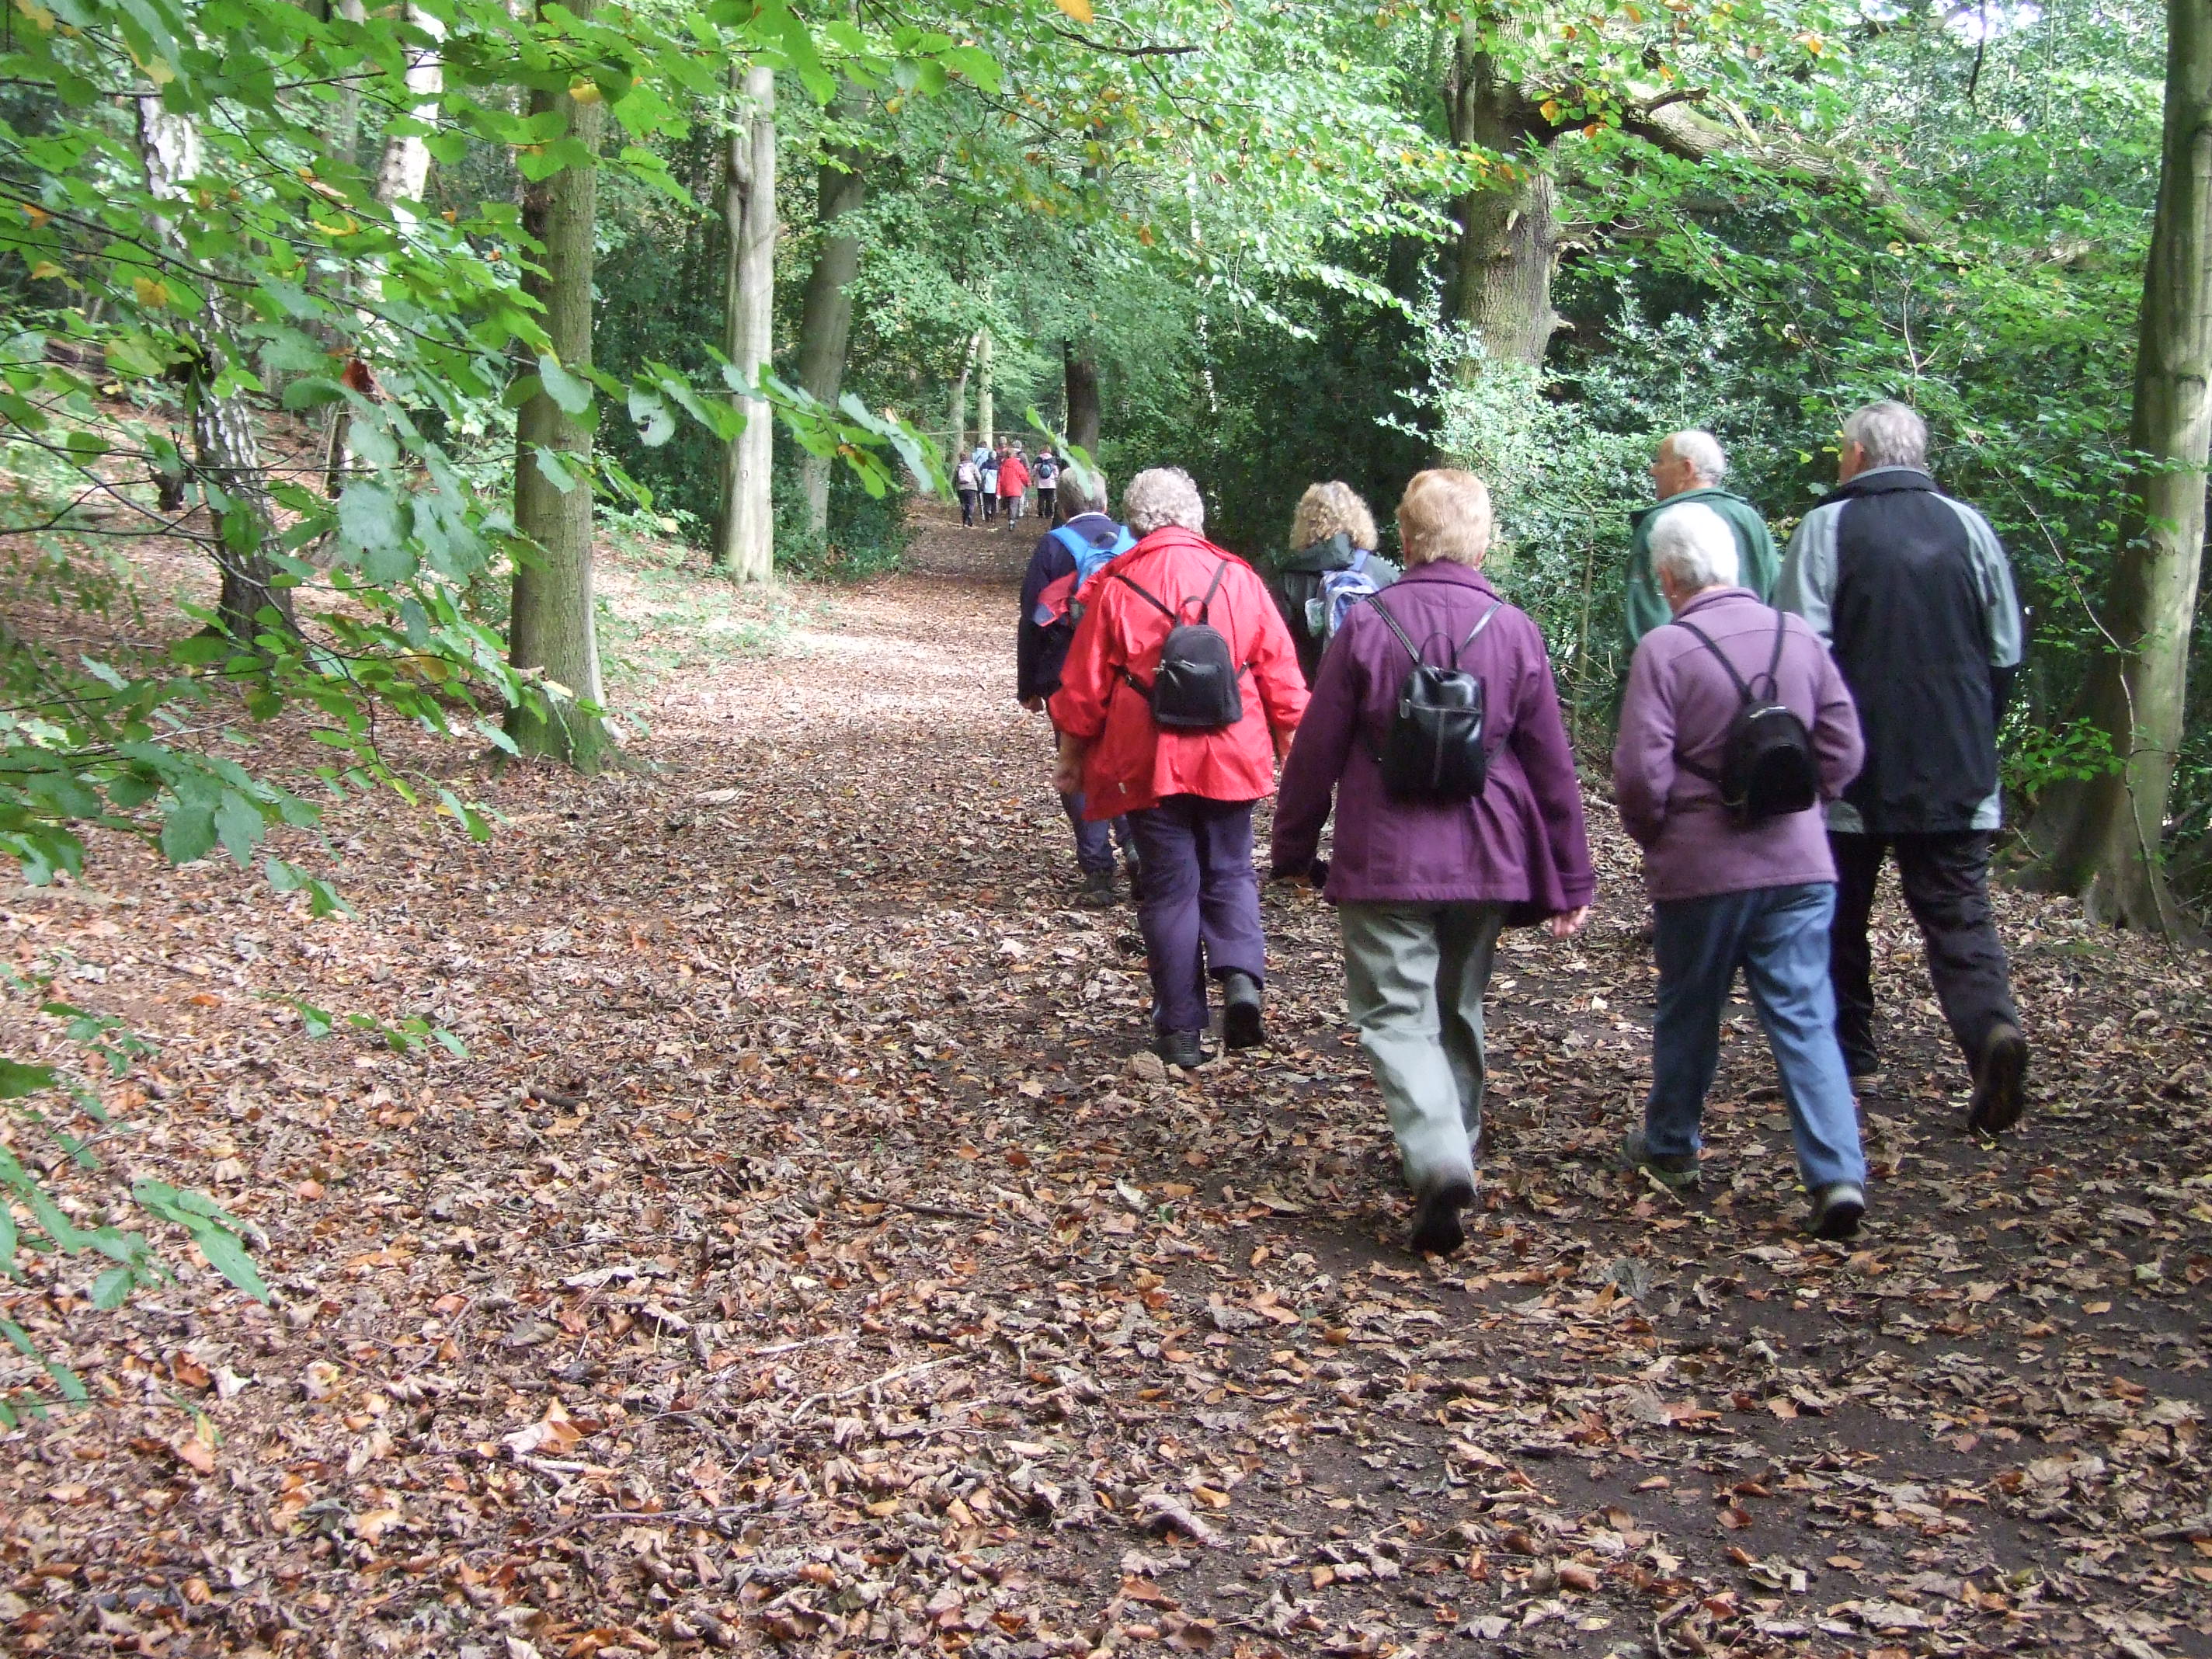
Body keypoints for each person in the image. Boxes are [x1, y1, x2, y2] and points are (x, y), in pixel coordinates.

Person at [1272, 469, 1593, 1257]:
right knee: (1458, 1006)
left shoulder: (1368, 624)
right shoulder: (1514, 630)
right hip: (1487, 856)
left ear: (1407, 542)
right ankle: (1457, 1145)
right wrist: (1571, 877)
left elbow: (1314, 752)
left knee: (1393, 1015)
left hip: (1384, 856)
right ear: (1482, 542)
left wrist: (1293, 847)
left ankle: (1438, 1154)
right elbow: (1552, 763)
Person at [1612, 502, 1871, 1239]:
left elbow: (1640, 777)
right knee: (1804, 1015)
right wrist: (1808, 804)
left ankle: (1670, 1148)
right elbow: (1845, 749)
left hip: (1702, 870)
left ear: (1667, 576)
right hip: (1799, 865)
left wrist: (1658, 837)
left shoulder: (1665, 649)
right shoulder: (1800, 638)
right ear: (1736, 563)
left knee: (1690, 1009)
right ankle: (1836, 1173)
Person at [1777, 399, 2029, 1134]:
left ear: (1855, 455)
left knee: (1837, 911)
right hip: (1957, 763)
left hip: (1850, 765)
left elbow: (1801, 654)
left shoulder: (1829, 527)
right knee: (1958, 911)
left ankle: (1849, 1053)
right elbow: (2005, 649)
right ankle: (1989, 1035)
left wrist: (1807, 754)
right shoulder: (1969, 527)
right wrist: (1975, 731)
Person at [1051, 467, 1308, 1067]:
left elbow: (1083, 691)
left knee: (1169, 890)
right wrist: (1291, 744)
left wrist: (1070, 761)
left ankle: (1180, 1032)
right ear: (1195, 516)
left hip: (1147, 759)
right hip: (1231, 751)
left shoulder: (1115, 585)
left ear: (1135, 524)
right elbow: (1281, 673)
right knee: (1232, 870)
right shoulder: (1240, 578)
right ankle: (1242, 979)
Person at [1017, 469, 1140, 905]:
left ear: (1063, 506)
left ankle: (1098, 871)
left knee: (1077, 761)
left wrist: (1028, 685)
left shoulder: (1054, 545)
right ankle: (1135, 845)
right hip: (1127, 672)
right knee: (1124, 760)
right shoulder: (1133, 542)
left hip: (1067, 674)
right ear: (1106, 503)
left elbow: (1032, 619)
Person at [1623, 432, 1779, 651]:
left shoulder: (1658, 524)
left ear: (1687, 469)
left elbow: (1646, 626)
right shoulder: (1749, 519)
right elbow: (1778, 600)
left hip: (1685, 673)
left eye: (1660, 462)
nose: (1653, 471)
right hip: (1757, 667)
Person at [1271, 482, 1403, 684]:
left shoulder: (1290, 579)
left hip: (1315, 696)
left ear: (1306, 524)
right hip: (1372, 695)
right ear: (1359, 520)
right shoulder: (1386, 575)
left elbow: (1278, 651)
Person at [1000, 444, 1031, 527]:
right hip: (1016, 488)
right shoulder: (1018, 464)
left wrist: (999, 490)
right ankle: (1012, 520)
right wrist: (1027, 483)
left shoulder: (1003, 465)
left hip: (1005, 488)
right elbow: (1023, 475)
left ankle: (1012, 518)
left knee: (1010, 504)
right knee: (1014, 504)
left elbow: (1000, 478)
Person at [1034, 449, 1060, 524]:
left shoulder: (1038, 459)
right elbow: (1056, 471)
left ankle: (1040, 513)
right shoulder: (1052, 460)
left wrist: (1033, 477)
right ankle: (1049, 514)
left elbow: (1034, 470)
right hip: (1051, 483)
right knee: (1050, 499)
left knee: (1041, 498)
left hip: (1040, 483)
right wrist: (1055, 477)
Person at [955, 452, 981, 527]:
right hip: (972, 488)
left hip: (961, 488)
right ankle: (970, 515)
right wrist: (979, 484)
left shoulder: (958, 467)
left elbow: (955, 479)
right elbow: (978, 477)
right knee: (971, 503)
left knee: (963, 504)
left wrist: (954, 487)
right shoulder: (973, 466)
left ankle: (964, 521)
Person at [979, 448, 1000, 523]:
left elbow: (980, 475)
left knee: (986, 503)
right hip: (994, 488)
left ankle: (987, 516)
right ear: (995, 457)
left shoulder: (983, 465)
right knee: (993, 503)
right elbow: (999, 478)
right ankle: (993, 517)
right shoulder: (997, 466)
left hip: (985, 487)